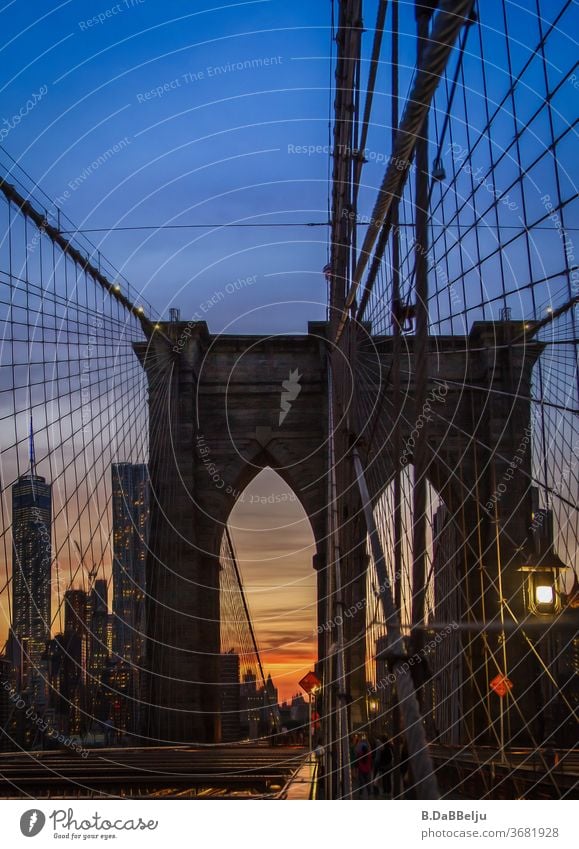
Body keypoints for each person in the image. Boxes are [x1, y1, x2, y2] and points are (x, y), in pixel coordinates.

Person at [354, 733, 373, 798]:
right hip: (368, 770)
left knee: (361, 783)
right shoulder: (369, 754)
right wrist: (367, 741)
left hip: (361, 770)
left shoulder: (360, 754)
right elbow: (370, 748)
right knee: (368, 783)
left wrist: (359, 741)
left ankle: (360, 794)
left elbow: (356, 750)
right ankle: (369, 794)